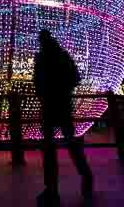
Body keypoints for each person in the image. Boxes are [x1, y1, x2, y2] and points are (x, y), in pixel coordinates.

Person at [34, 29, 93, 206]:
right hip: (62, 106)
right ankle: (85, 176)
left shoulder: (44, 58)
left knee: (50, 150)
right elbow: (75, 78)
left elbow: (37, 82)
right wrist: (64, 90)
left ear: (42, 41)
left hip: (51, 106)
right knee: (71, 144)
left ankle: (52, 190)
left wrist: (48, 91)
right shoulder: (62, 56)